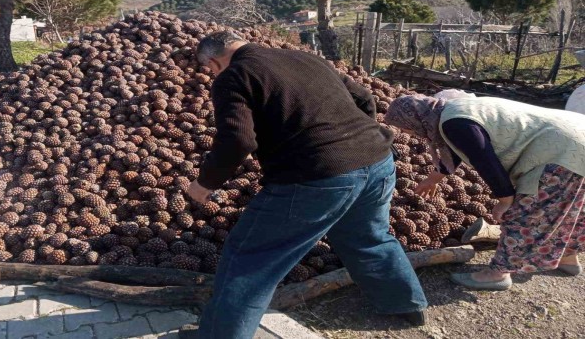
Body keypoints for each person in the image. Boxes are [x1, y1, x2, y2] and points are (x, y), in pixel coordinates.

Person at [180, 31, 428, 339]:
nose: (213, 75)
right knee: (368, 236)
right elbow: (364, 97)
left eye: (210, 70)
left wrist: (205, 183)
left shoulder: (234, 75)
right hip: (378, 161)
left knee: (250, 258)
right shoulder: (303, 57)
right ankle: (406, 306)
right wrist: (354, 141)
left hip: (316, 176)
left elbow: (238, 139)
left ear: (214, 61)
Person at [385, 95, 585, 291]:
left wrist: (505, 200)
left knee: (521, 214)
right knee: (572, 208)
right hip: (577, 136)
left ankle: (498, 274)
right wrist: (434, 178)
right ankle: (567, 256)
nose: (407, 133)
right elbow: (459, 147)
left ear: (413, 117)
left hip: (562, 152)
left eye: (404, 127)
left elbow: (486, 161)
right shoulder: (450, 111)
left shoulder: (454, 124)